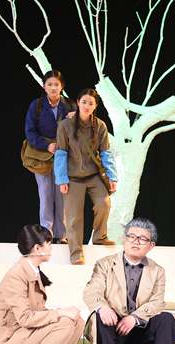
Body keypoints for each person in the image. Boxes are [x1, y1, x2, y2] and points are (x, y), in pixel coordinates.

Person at [83, 217, 175, 344]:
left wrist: (134, 318)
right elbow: (92, 291)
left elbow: (157, 301)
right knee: (99, 316)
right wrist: (102, 307)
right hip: (112, 331)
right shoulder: (105, 264)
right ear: (124, 239)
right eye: (131, 236)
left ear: (151, 246)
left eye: (142, 239)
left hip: (140, 334)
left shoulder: (157, 270)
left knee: (167, 319)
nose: (135, 242)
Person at [0, 224, 84, 344]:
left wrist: (62, 312)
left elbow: (37, 311)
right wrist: (60, 313)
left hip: (25, 334)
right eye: (48, 244)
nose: (51, 248)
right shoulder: (16, 275)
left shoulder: (32, 270)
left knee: (77, 322)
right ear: (37, 249)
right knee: (64, 323)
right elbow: (25, 318)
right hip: (10, 341)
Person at [54, 88, 118, 265]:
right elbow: (60, 153)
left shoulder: (100, 126)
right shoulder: (65, 125)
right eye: (84, 102)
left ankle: (99, 237)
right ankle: (76, 252)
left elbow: (105, 153)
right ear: (78, 103)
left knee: (104, 204)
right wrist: (62, 179)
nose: (87, 106)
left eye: (91, 103)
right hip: (73, 177)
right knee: (74, 216)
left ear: (95, 106)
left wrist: (112, 177)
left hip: (93, 175)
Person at [24, 70, 75, 244]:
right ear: (44, 86)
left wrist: (76, 120)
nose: (53, 88)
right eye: (49, 84)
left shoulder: (70, 105)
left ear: (62, 86)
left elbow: (80, 132)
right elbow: (30, 132)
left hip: (64, 156)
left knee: (62, 195)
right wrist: (47, 145)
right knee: (45, 195)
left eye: (56, 84)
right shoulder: (37, 105)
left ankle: (62, 235)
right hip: (42, 155)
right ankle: (46, 234)